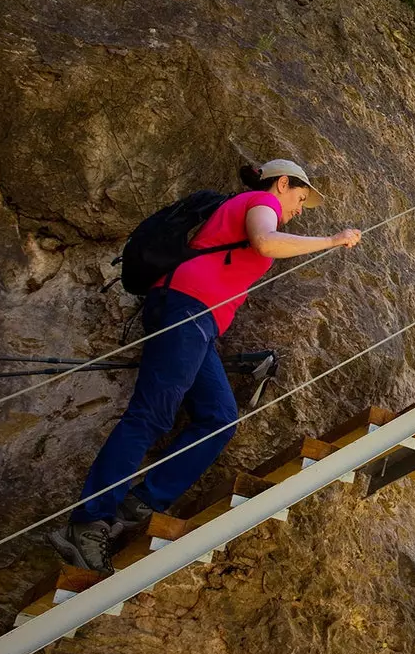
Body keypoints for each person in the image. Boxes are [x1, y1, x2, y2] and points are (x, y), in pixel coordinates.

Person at [50, 159, 362, 573]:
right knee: (150, 416)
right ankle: (87, 523)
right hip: (186, 309)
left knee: (218, 417)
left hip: (199, 323)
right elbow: (266, 243)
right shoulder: (258, 202)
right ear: (282, 183)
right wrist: (332, 239)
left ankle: (137, 503)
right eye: (300, 198)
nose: (299, 209)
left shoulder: (253, 207)